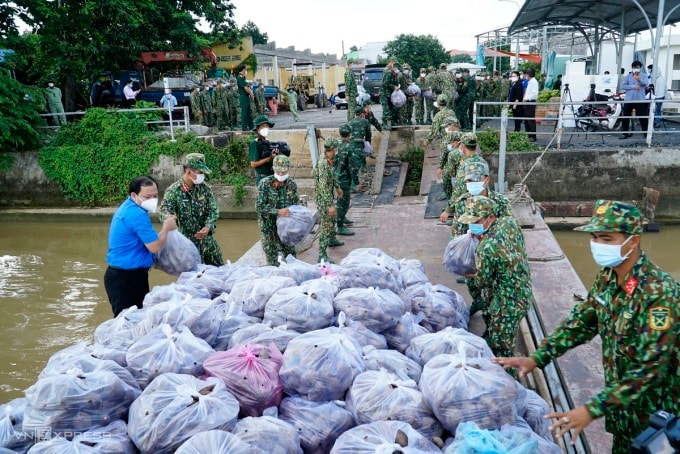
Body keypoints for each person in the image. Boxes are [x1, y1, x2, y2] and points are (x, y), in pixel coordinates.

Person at [493, 200, 680, 453]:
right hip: (623, 413)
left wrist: (591, 410)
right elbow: (582, 321)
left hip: (659, 418)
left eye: (606, 238)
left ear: (633, 241)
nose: (598, 245)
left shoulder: (660, 294)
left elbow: (651, 369)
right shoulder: (609, 276)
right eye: (594, 237)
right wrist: (538, 357)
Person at [458, 195, 532, 363]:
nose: (472, 225)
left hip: (507, 304)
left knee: (502, 351)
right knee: (498, 332)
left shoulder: (487, 247)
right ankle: (491, 336)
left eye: (476, 221)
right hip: (523, 288)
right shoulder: (509, 223)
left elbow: (482, 281)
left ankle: (509, 381)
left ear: (490, 217)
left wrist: (469, 273)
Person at [104, 175, 177, 317]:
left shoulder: (128, 206)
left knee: (136, 320)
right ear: (134, 195)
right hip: (126, 279)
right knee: (128, 323)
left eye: (155, 196)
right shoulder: (136, 214)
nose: (153, 200)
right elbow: (155, 247)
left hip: (127, 276)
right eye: (148, 196)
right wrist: (166, 228)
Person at [159, 153, 224, 266]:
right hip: (187, 245)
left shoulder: (205, 188)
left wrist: (208, 226)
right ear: (189, 172)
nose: (203, 176)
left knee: (220, 272)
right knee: (193, 278)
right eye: (201, 172)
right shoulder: (173, 192)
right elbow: (164, 210)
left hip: (207, 242)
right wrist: (170, 219)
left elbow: (213, 210)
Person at [256, 155, 300, 266]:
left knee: (291, 257)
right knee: (272, 259)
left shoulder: (291, 184)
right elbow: (259, 206)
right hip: (268, 227)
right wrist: (277, 211)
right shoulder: (265, 184)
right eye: (278, 171)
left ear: (288, 169)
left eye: (283, 172)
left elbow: (296, 205)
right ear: (274, 169)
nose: (280, 174)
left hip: (286, 227)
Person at [314, 137, 345, 263]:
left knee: (332, 220)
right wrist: (329, 205)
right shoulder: (323, 164)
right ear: (333, 149)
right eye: (336, 148)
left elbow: (332, 175)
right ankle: (321, 254)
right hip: (323, 199)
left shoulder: (327, 159)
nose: (337, 150)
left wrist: (337, 187)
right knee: (326, 225)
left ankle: (332, 239)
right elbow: (323, 187)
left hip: (328, 195)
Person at [620, 60, 649, 139]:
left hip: (640, 100)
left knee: (643, 118)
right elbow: (623, 86)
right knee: (625, 117)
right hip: (629, 100)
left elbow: (646, 84)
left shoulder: (644, 76)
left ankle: (646, 134)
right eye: (634, 67)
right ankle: (625, 133)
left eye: (637, 67)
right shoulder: (628, 76)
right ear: (632, 68)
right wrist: (633, 87)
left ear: (640, 68)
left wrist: (639, 80)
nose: (636, 69)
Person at [335, 123, 355, 234]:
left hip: (336, 177)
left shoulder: (336, 145)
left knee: (341, 200)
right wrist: (355, 182)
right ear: (349, 134)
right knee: (343, 202)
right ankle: (340, 225)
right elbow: (352, 166)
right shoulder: (349, 147)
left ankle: (342, 217)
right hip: (344, 179)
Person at [249, 115, 277, 184]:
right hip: (263, 179)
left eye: (267, 126)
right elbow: (253, 164)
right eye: (263, 126)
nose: (266, 128)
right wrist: (269, 158)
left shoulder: (266, 142)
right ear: (258, 128)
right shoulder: (255, 143)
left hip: (271, 177)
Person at [647, 64, 666, 128]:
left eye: (649, 69)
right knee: (658, 110)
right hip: (662, 96)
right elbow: (665, 87)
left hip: (656, 96)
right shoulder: (663, 78)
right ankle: (658, 121)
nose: (649, 70)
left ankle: (657, 123)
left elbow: (654, 89)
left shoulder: (653, 79)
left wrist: (653, 95)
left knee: (655, 110)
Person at [236, 63, 255, 131]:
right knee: (244, 112)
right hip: (243, 96)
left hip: (246, 97)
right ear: (243, 69)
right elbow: (245, 88)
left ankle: (251, 125)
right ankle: (244, 126)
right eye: (245, 69)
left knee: (248, 111)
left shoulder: (242, 77)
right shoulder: (240, 77)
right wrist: (251, 93)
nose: (246, 70)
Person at [522, 68, 539, 141]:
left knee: (530, 119)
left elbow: (534, 94)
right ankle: (528, 135)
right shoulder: (530, 81)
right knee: (527, 119)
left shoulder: (534, 82)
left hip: (530, 102)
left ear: (528, 75)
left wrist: (527, 98)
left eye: (526, 75)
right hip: (528, 102)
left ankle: (532, 136)